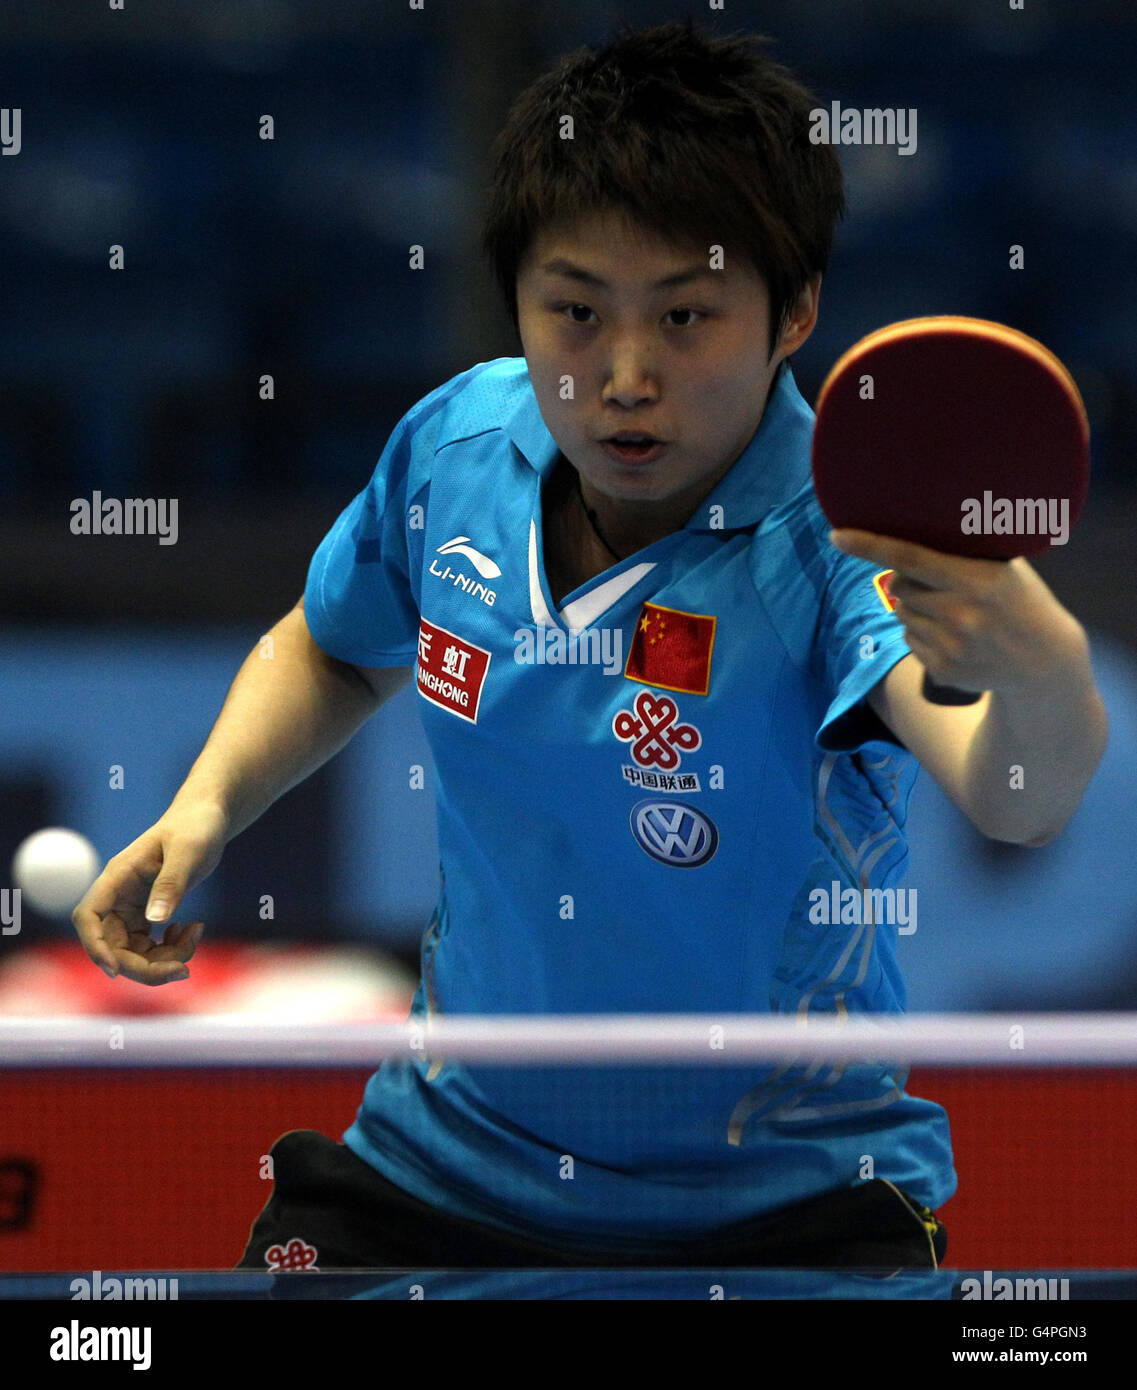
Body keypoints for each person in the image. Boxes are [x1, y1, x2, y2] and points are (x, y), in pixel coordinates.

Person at [73, 20, 1107, 1271]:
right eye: (574, 311)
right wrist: (208, 804)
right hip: (445, 1171)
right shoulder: (456, 446)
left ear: (794, 314)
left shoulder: (835, 544)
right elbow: (335, 647)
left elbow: (1015, 795)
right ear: (517, 298)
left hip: (783, 1211)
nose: (623, 375)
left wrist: (1041, 661)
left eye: (685, 317)